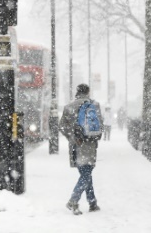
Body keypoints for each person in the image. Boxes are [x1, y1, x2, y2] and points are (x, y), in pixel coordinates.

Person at [59, 83, 102, 215]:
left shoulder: (68, 107)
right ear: (88, 92)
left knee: (85, 173)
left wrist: (72, 137)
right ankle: (73, 201)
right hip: (90, 144)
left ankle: (92, 202)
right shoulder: (94, 105)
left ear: (77, 92)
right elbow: (100, 124)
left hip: (75, 145)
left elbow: (62, 126)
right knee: (86, 173)